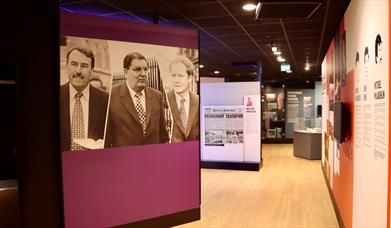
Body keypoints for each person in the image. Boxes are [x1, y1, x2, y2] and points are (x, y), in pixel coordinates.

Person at [105, 52, 169, 147]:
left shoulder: (157, 96)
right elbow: (105, 139)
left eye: (146, 69)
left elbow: (163, 136)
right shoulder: (112, 95)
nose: (143, 74)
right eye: (137, 69)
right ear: (126, 72)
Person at [60, 47, 109, 151]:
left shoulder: (106, 101)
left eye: (84, 66)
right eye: (74, 64)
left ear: (91, 70)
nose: (78, 71)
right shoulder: (54, 97)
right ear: (66, 66)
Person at [166, 55, 199, 143]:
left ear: (190, 78)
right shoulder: (163, 100)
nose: (176, 80)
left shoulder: (198, 101)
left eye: (180, 76)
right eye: (173, 75)